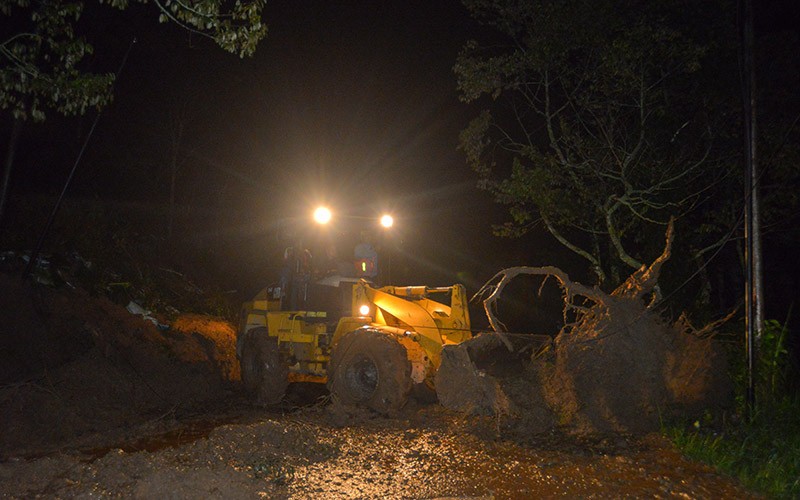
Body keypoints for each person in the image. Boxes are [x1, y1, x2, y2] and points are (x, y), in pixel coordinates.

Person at [280, 237, 313, 310]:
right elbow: (284, 277)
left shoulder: (308, 267)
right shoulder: (289, 265)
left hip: (304, 287)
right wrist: (284, 288)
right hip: (294, 286)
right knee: (294, 295)